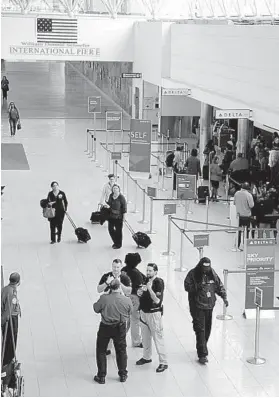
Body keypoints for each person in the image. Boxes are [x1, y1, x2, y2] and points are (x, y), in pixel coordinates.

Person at [184, 258, 228, 364]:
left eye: (208, 267)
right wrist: (196, 287)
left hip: (209, 306)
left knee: (207, 328)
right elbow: (186, 286)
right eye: (204, 267)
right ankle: (202, 354)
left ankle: (202, 345)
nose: (206, 270)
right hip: (197, 306)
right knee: (200, 329)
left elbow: (218, 285)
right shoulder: (193, 274)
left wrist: (224, 297)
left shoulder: (212, 273)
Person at [93, 278, 133, 384]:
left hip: (105, 327)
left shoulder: (104, 298)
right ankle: (123, 374)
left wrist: (105, 296)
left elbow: (96, 308)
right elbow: (130, 311)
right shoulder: (126, 300)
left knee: (101, 350)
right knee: (121, 351)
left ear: (110, 287)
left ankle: (101, 376)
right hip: (120, 327)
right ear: (119, 287)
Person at [136, 263, 168, 373]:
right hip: (144, 313)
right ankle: (146, 357)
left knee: (158, 338)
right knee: (145, 337)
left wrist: (149, 289)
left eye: (150, 271)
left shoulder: (159, 282)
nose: (148, 272)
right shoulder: (145, 280)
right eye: (147, 270)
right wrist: (139, 292)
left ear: (156, 272)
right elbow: (141, 292)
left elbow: (157, 300)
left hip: (154, 314)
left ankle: (163, 362)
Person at [97, 259, 131, 356]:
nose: (115, 269)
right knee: (108, 324)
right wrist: (107, 283)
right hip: (109, 305)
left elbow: (128, 291)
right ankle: (108, 347)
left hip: (120, 305)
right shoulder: (106, 276)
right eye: (114, 267)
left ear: (121, 267)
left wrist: (120, 284)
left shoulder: (125, 278)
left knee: (120, 326)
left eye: (117, 267)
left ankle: (119, 346)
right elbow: (99, 289)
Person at [122, 253, 145, 347]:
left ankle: (118, 338)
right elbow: (140, 288)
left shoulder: (123, 270)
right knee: (135, 320)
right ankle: (136, 341)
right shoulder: (136, 274)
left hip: (124, 297)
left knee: (124, 320)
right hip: (134, 298)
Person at [1, 273, 21, 366]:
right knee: (11, 341)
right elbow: (9, 309)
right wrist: (3, 321)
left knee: (7, 341)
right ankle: (8, 363)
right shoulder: (12, 292)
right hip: (11, 320)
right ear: (18, 282)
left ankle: (6, 361)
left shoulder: (5, 289)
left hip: (7, 318)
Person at [234, 182, 254, 250]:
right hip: (246, 216)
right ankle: (246, 245)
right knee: (246, 231)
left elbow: (234, 203)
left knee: (239, 231)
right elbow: (251, 205)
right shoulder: (248, 195)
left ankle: (238, 245)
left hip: (239, 216)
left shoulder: (236, 193)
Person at [106, 184, 127, 249]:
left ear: (119, 189)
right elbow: (109, 204)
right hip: (111, 216)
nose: (115, 190)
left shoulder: (121, 197)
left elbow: (124, 208)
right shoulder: (111, 195)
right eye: (114, 188)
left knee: (118, 231)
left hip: (118, 217)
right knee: (110, 229)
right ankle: (115, 242)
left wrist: (124, 217)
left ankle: (118, 244)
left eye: (116, 188)